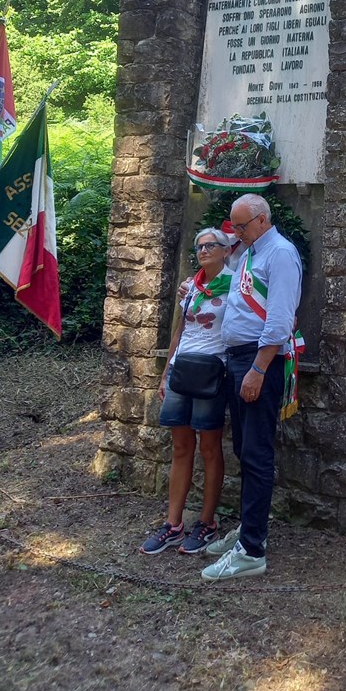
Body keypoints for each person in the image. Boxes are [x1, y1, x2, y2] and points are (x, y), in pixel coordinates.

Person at [200, 193, 302, 581]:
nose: (236, 232)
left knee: (257, 453)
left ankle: (252, 551)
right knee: (245, 448)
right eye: (234, 225)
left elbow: (279, 318)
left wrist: (258, 369)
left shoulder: (280, 253)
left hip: (260, 360)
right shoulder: (250, 252)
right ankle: (249, 528)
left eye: (241, 225)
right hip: (240, 359)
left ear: (261, 220)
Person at [140, 228, 233, 556]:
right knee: (180, 446)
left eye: (211, 245)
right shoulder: (191, 286)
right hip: (181, 371)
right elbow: (180, 330)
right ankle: (173, 524)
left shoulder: (236, 284)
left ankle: (207, 523)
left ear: (226, 250)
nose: (204, 250)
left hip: (212, 372)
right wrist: (166, 372)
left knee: (209, 447)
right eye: (199, 246)